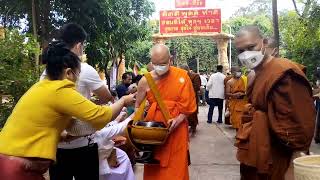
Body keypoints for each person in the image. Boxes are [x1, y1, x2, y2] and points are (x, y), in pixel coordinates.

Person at [0, 40, 135, 180]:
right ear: (69, 73)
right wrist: (124, 100)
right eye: (78, 74)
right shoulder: (61, 89)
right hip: (19, 167)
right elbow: (101, 116)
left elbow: (62, 125)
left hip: (6, 161)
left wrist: (65, 136)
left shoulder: (40, 87)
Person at [234, 25, 315, 180]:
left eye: (251, 47)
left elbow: (300, 124)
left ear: (264, 43)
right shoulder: (256, 74)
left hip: (279, 157)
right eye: (241, 51)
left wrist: (294, 166)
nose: (246, 54)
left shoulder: (283, 73)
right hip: (260, 150)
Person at [39, 23, 114, 180]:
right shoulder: (84, 69)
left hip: (56, 146)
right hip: (83, 145)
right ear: (79, 45)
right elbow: (107, 98)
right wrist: (88, 104)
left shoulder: (48, 71)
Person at [135, 44, 196, 180]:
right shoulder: (145, 80)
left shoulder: (182, 76)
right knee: (154, 171)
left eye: (163, 63)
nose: (159, 67)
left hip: (177, 131)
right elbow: (138, 106)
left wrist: (177, 120)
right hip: (153, 134)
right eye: (155, 63)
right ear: (151, 61)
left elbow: (188, 107)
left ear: (170, 59)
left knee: (177, 170)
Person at [179, 64, 201, 136]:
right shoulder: (180, 76)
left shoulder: (195, 76)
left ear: (187, 70)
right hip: (182, 98)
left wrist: (187, 87)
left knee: (193, 113)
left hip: (192, 97)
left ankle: (193, 127)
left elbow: (197, 87)